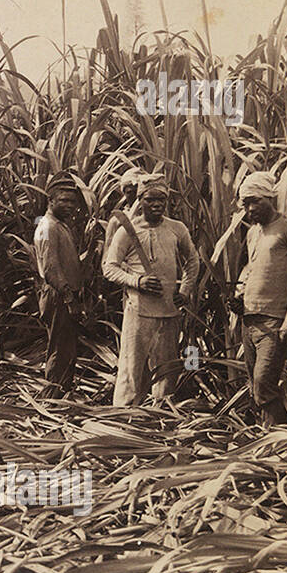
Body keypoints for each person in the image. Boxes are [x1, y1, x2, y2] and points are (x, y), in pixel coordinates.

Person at [102, 174, 198, 406]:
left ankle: (161, 413)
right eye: (150, 200)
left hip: (169, 311)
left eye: (161, 200)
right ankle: (123, 416)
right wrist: (138, 281)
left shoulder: (177, 228)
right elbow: (109, 268)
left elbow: (192, 261)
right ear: (140, 200)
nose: (156, 205)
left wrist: (184, 290)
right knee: (131, 368)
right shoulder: (127, 230)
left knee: (166, 368)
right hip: (139, 311)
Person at [232, 170, 287, 425]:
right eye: (245, 203)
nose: (250, 209)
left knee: (264, 383)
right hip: (250, 319)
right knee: (255, 383)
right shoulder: (253, 233)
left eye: (255, 201)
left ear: (269, 198)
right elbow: (250, 269)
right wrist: (239, 296)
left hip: (274, 320)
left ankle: (279, 440)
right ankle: (266, 440)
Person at [33, 171, 86, 392]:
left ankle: (63, 393)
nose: (70, 206)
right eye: (64, 200)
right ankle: (53, 398)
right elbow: (50, 268)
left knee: (66, 348)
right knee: (59, 349)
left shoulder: (59, 224)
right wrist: (68, 296)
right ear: (50, 200)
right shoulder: (47, 227)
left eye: (73, 201)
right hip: (58, 296)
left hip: (63, 294)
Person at [102, 166, 146, 258]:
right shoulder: (117, 221)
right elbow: (107, 256)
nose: (136, 196)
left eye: (139, 191)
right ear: (124, 194)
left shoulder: (155, 218)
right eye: (130, 192)